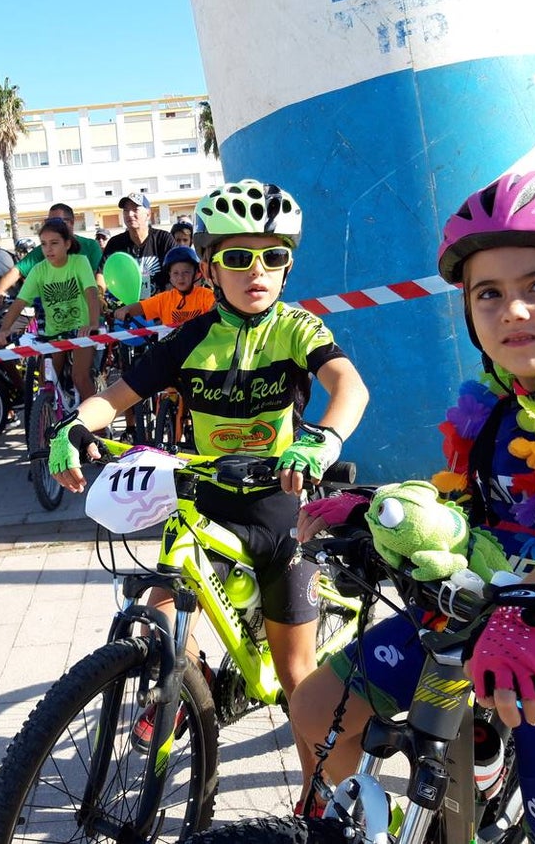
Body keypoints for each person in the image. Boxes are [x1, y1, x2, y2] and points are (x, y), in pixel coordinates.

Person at [292, 171, 535, 839]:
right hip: (475, 614)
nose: (513, 310)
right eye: (489, 293)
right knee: (316, 705)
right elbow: (468, 510)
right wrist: (373, 511)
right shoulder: (495, 401)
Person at [49, 179, 369, 792]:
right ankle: (179, 685)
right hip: (203, 498)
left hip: (279, 506)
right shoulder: (190, 338)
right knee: (160, 614)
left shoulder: (297, 330)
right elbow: (113, 398)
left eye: (273, 257)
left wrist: (321, 438)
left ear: (287, 267)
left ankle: (319, 811)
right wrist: (72, 427)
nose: (258, 271)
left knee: (299, 682)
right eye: (239, 257)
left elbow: (348, 386)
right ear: (211, 266)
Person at [0, 218, 102, 401]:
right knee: (45, 381)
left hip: (81, 329)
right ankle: (46, 419)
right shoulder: (38, 270)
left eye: (54, 243)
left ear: (67, 244)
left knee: (79, 377)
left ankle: (99, 428)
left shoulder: (80, 262)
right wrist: (4, 330)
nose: (48, 249)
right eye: (43, 244)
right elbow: (19, 303)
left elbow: (91, 294)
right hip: (54, 332)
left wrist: (92, 324)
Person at [0, 203, 104, 306]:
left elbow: (98, 277)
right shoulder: (43, 250)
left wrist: (98, 297)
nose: (52, 226)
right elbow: (17, 270)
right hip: (56, 316)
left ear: (71, 223)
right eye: (49, 223)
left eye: (57, 222)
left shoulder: (91, 246)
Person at [112, 246, 215, 327]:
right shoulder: (164, 299)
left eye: (186, 272)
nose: (180, 277)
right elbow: (143, 307)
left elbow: (217, 307)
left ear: (196, 274)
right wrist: (126, 310)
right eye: (175, 273)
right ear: (169, 276)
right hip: (172, 351)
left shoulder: (205, 296)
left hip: (200, 349)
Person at [100, 193, 175, 300]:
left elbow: (178, 270)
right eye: (126, 210)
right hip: (127, 307)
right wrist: (99, 296)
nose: (130, 214)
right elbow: (102, 272)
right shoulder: (115, 243)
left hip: (161, 305)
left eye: (135, 209)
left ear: (148, 214)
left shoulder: (164, 239)